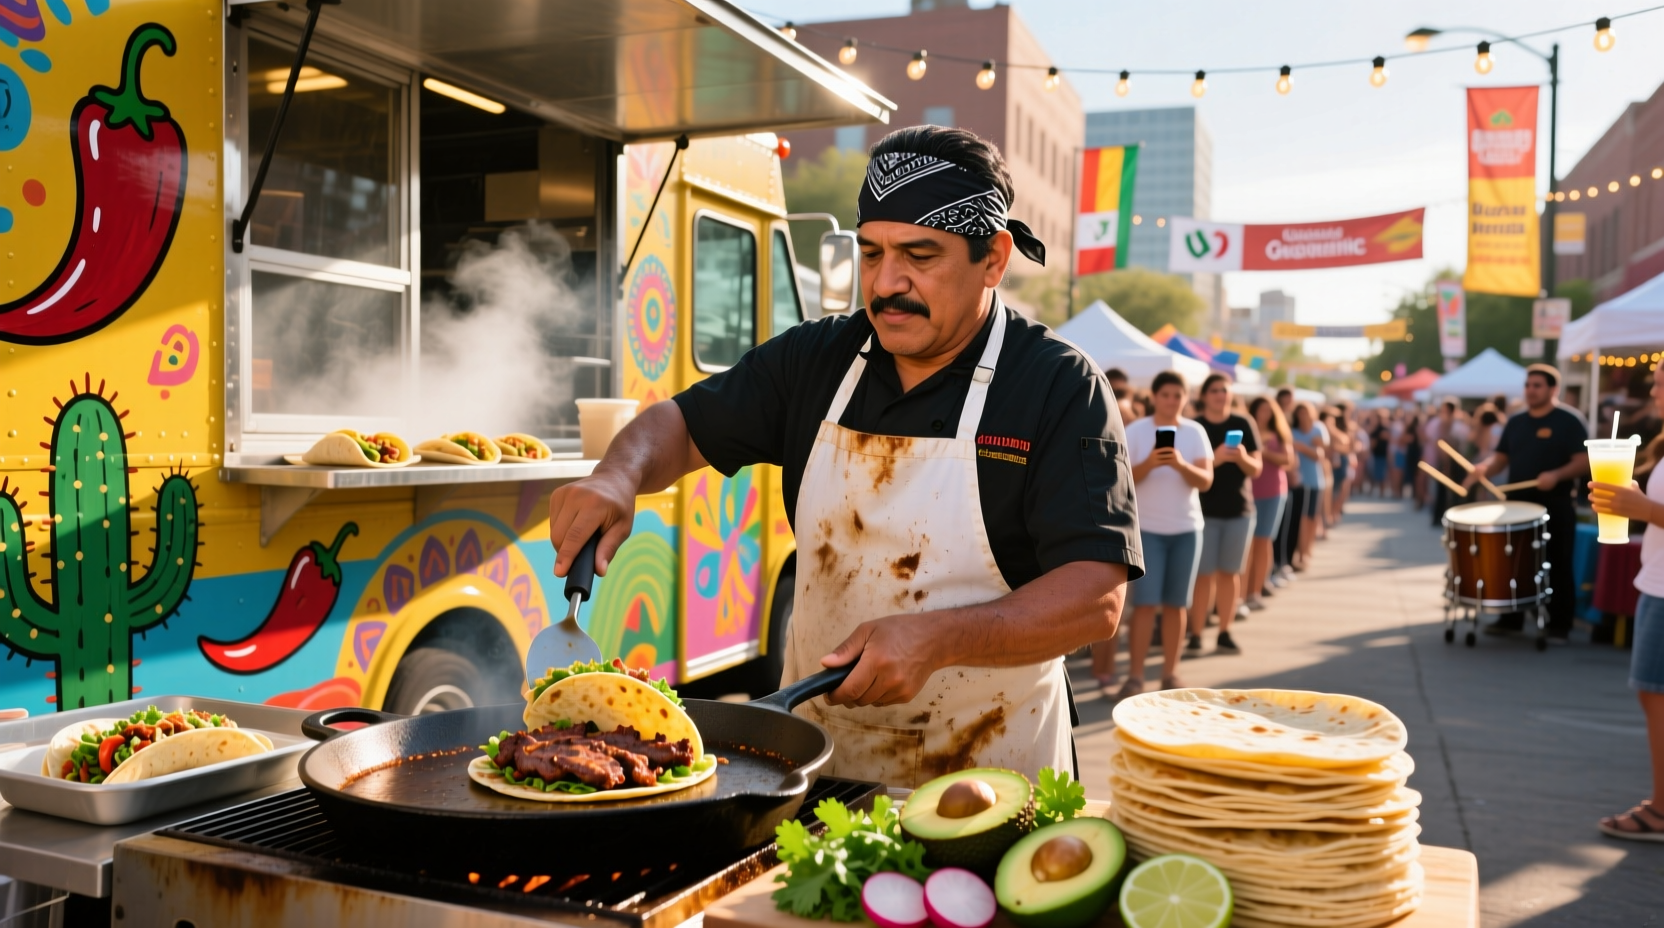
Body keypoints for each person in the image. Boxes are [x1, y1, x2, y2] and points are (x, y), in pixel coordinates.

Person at [545, 125, 1143, 786]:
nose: (887, 283)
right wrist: (618, 474)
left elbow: (1095, 598)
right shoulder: (816, 359)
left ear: (993, 259)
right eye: (871, 253)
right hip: (816, 760)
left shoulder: (1056, 386)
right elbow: (682, 425)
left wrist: (939, 638)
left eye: (921, 255)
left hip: (988, 774)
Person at [1101, 371, 1212, 698]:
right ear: (1155, 396)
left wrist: (1179, 464)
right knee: (1146, 605)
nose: (1172, 401)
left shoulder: (1195, 432)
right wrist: (1151, 462)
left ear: (1186, 398)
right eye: (1166, 395)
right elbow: (1122, 479)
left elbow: (1206, 480)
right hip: (1146, 530)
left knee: (1177, 605)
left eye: (1178, 395)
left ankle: (1170, 673)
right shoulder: (1135, 431)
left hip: (1186, 528)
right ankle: (1135, 676)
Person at [1464, 364, 1589, 641]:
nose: (1531, 390)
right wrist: (1484, 469)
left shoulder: (1569, 421)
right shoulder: (1516, 422)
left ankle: (1559, 624)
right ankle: (1511, 619)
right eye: (1528, 385)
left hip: (1554, 505)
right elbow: (1501, 458)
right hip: (1517, 506)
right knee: (1514, 563)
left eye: (1537, 385)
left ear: (1552, 389)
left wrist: (1556, 475)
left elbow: (1584, 461)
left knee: (1557, 562)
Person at [1592, 371, 1664, 841]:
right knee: (1652, 694)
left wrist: (1646, 511)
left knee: (1655, 693)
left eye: (1662, 382)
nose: (1654, 391)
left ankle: (1661, 811)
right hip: (1656, 582)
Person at [1188, 374, 1262, 654]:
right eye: (1216, 390)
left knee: (1229, 575)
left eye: (1225, 390)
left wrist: (1241, 457)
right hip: (1203, 511)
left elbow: (1257, 469)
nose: (1221, 395)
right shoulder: (1197, 427)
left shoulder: (1243, 423)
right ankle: (1196, 633)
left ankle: (1225, 631)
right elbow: (1189, 468)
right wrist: (1216, 459)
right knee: (1203, 575)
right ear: (1205, 395)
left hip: (1239, 510)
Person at [1244, 396, 1292, 612]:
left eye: (1268, 410)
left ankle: (1257, 589)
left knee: (1263, 542)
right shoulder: (1246, 430)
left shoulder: (1279, 433)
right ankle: (1243, 593)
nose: (1264, 414)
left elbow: (1287, 460)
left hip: (1272, 492)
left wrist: (1265, 453)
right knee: (1248, 545)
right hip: (1249, 492)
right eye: (1260, 410)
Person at [1289, 402, 1328, 570]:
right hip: (1299, 481)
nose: (1303, 416)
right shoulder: (1292, 431)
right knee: (1301, 519)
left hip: (1315, 480)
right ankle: (1300, 553)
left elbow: (1320, 454)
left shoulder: (1318, 429)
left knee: (1312, 517)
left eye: (1306, 412)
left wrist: (1304, 448)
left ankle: (1307, 550)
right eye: (1300, 413)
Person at [1272, 387, 1302, 585]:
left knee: (1288, 524)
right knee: (1279, 527)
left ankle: (1283, 562)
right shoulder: (1276, 420)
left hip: (1286, 478)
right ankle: (1277, 565)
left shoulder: (1289, 420)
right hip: (1278, 481)